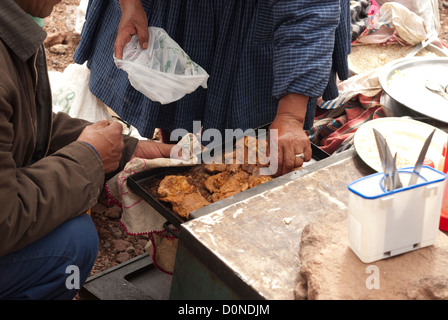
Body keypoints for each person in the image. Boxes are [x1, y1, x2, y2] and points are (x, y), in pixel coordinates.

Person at [0, 0, 174, 300]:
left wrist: (128, 149)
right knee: (74, 242)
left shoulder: (14, 29)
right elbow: (4, 220)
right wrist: (89, 158)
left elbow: (23, 124)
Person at [75, 0, 351, 176]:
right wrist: (131, 3)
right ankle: (176, 167)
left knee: (259, 121)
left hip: (259, 12)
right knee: (178, 99)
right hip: (184, 8)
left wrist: (290, 117)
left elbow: (307, 9)